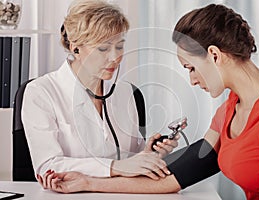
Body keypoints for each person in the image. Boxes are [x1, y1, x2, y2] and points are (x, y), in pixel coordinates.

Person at [38, 3, 259, 199]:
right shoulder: (230, 108)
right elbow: (175, 178)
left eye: (190, 67)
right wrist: (87, 182)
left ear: (214, 55)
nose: (193, 81)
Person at [22, 0, 179, 182]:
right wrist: (114, 167)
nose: (115, 57)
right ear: (76, 47)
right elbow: (47, 166)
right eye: (103, 48)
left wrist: (148, 154)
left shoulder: (126, 91)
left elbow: (130, 159)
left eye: (119, 46)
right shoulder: (41, 92)